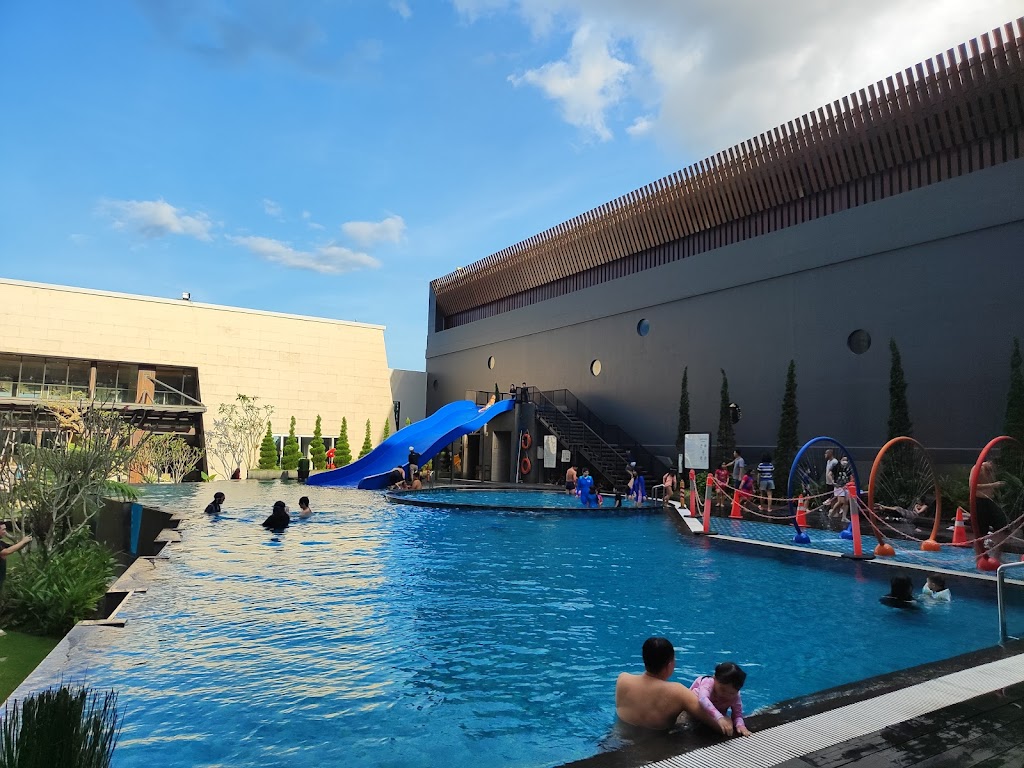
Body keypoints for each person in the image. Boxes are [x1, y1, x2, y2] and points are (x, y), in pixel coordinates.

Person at [615, 637, 721, 732]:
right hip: (656, 743)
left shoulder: (623, 679)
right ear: (670, 665)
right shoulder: (677, 692)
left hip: (618, 736)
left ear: (644, 659)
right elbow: (716, 722)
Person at [690, 662, 752, 737]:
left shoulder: (736, 696)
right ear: (714, 678)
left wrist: (740, 726)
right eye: (722, 689)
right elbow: (703, 699)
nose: (725, 695)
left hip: (712, 717)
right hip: (693, 709)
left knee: (728, 726)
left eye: (731, 693)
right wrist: (719, 717)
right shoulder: (708, 682)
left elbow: (737, 715)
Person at [974, 460, 1007, 560]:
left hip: (990, 501)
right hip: (979, 501)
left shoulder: (991, 472)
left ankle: (997, 557)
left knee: (1003, 526)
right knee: (981, 531)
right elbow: (973, 486)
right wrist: (993, 485)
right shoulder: (978, 468)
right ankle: (979, 558)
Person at [0, 523, 33, 592]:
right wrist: (23, 541)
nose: (5, 532)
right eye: (3, 529)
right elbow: (6, 551)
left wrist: (25, 542)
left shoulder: (1, 543)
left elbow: (14, 548)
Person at [831, 456, 853, 524]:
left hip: (845, 486)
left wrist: (850, 483)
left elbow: (851, 477)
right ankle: (832, 512)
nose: (845, 462)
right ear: (840, 460)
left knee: (846, 502)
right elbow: (830, 474)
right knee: (841, 501)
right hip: (838, 486)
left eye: (846, 460)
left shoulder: (847, 468)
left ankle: (844, 517)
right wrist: (833, 482)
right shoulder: (837, 467)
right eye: (843, 460)